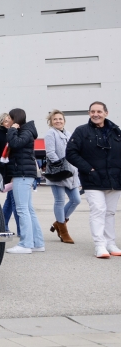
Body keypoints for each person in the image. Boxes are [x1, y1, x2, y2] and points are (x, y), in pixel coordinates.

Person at [66, 101, 121, 259]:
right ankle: (99, 245)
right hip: (93, 180)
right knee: (98, 210)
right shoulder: (82, 131)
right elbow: (71, 153)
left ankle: (110, 243)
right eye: (92, 111)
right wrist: (88, 169)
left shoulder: (117, 132)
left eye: (99, 111)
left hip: (115, 180)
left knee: (110, 212)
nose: (95, 114)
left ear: (106, 113)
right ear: (89, 113)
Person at [5, 108, 45, 254]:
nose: (6, 120)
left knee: (22, 209)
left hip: (22, 173)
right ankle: (38, 243)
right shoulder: (27, 131)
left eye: (9, 118)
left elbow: (15, 144)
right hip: (23, 173)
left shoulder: (24, 132)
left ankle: (26, 244)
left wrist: (12, 130)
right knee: (28, 209)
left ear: (15, 118)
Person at [43, 110, 80, 244]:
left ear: (64, 120)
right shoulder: (50, 133)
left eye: (60, 119)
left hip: (71, 173)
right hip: (58, 172)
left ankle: (59, 222)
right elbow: (51, 153)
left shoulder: (69, 133)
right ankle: (63, 231)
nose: (58, 121)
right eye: (55, 119)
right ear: (51, 122)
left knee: (76, 200)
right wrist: (61, 165)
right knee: (59, 201)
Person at [0, 113, 18, 234]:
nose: (8, 123)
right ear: (1, 122)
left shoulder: (15, 132)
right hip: (7, 170)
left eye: (9, 120)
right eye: (5, 121)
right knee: (15, 200)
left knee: (11, 200)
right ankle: (21, 230)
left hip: (16, 168)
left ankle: (2, 225)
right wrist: (2, 163)